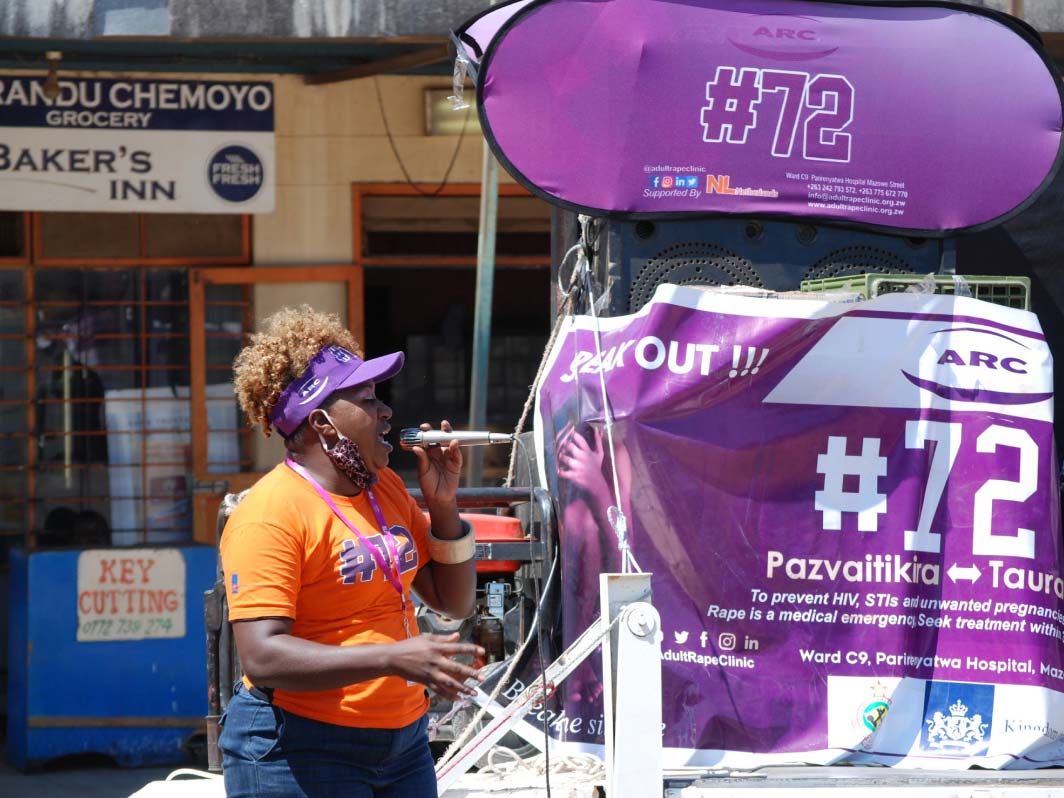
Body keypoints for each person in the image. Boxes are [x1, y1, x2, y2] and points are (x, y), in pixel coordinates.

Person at [218, 305, 483, 798]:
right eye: (366, 399)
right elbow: (263, 656)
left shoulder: (385, 489)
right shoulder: (270, 514)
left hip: (402, 744)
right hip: (299, 747)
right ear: (322, 423)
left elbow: (454, 601)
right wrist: (392, 658)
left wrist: (444, 506)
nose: (385, 411)